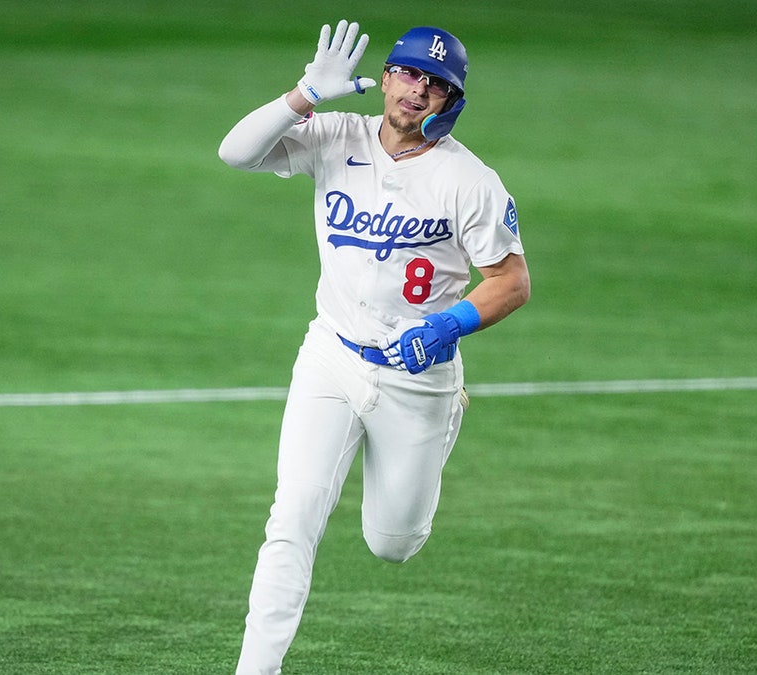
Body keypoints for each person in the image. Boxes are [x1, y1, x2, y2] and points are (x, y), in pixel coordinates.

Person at [218, 19, 530, 674]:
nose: (418, 91)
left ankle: (448, 414)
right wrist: (303, 94)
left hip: (418, 380)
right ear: (386, 77)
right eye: (410, 73)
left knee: (392, 542)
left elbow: (511, 280)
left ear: (452, 101)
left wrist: (450, 325)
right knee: (292, 515)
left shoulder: (469, 180)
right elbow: (235, 152)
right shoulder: (336, 136)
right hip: (331, 354)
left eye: (436, 85)